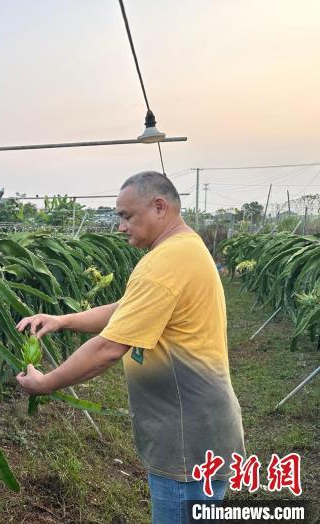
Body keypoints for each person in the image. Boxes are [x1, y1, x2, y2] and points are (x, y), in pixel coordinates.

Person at [16, 171, 245, 523]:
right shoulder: (183, 248)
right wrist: (63, 320)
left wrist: (46, 384)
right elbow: (125, 310)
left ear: (158, 206)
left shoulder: (164, 263)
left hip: (185, 437)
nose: (120, 227)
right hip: (197, 428)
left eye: (126, 216)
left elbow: (108, 349)